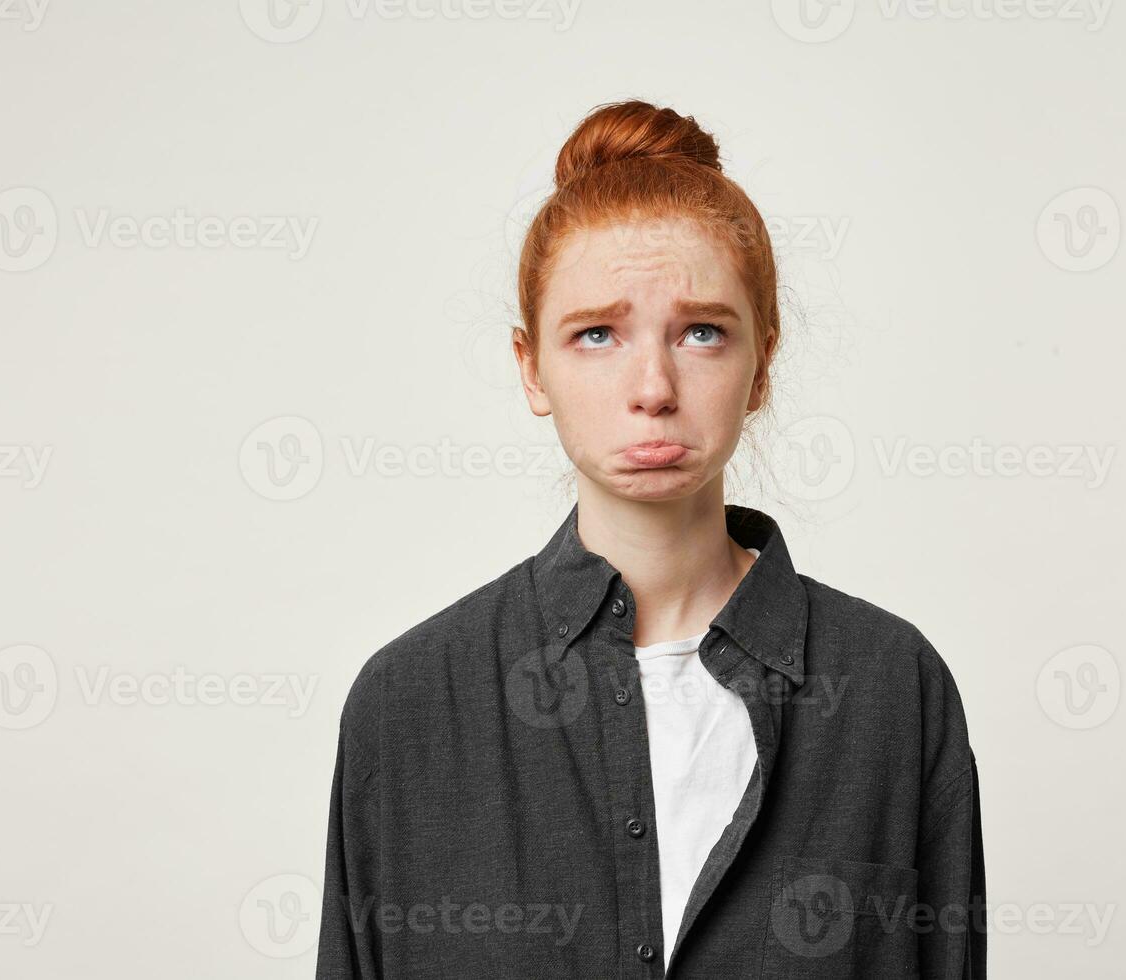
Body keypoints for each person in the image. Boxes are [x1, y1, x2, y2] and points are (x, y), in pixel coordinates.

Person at [315, 98, 986, 979]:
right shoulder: (408, 706)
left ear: (762, 364)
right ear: (532, 368)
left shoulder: (893, 689)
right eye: (597, 334)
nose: (653, 387)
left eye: (701, 332)